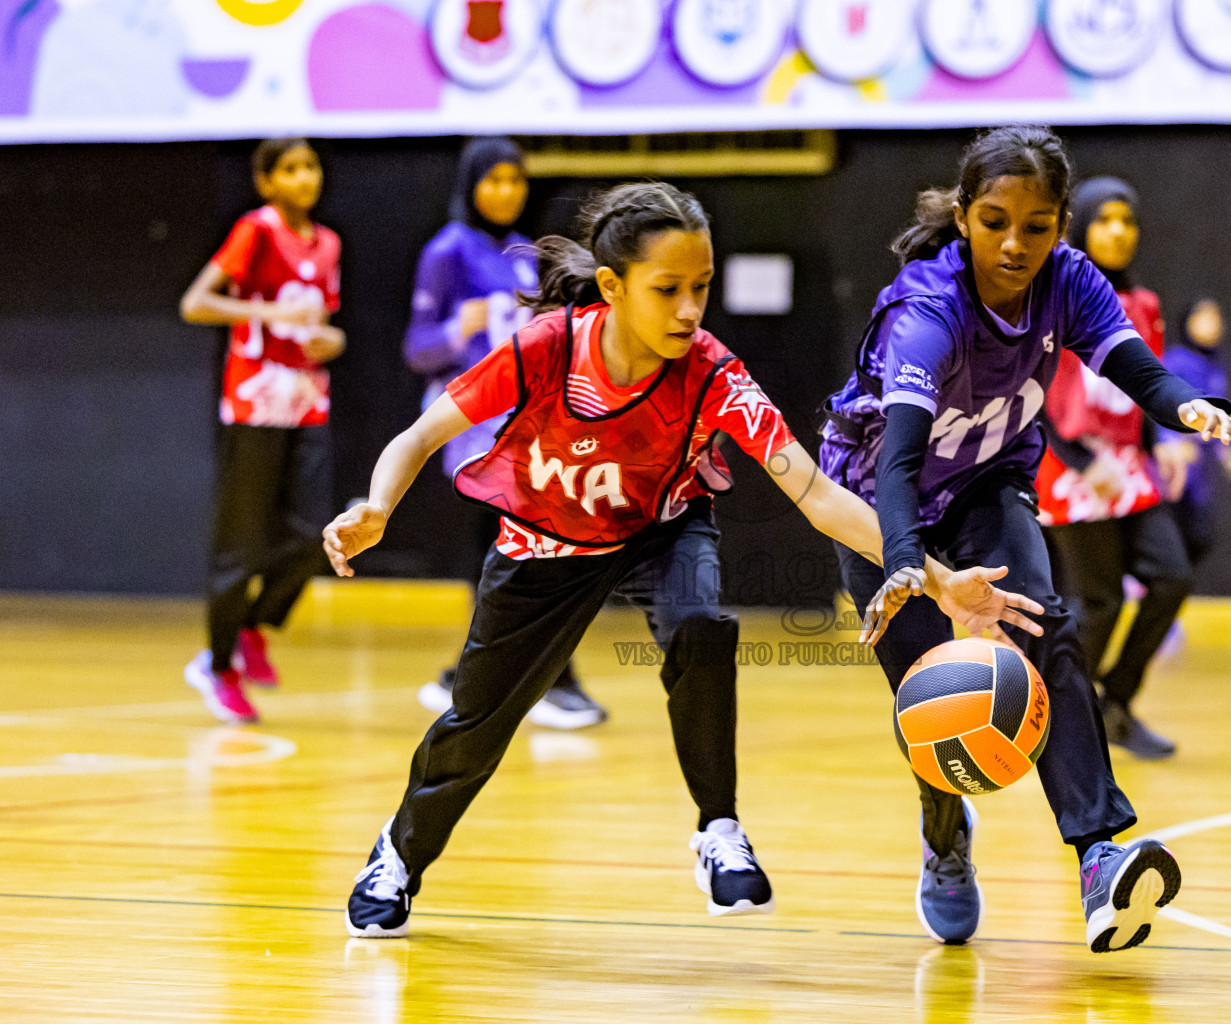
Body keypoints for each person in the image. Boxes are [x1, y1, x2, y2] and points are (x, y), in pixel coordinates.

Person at [326, 182, 1040, 939]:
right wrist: (376, 505)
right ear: (612, 286)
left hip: (661, 530)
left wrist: (933, 576)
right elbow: (419, 435)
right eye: (667, 289)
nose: (690, 309)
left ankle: (718, 828)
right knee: (477, 725)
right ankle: (398, 856)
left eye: (700, 287)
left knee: (701, 623)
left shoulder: (712, 372)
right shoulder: (548, 348)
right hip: (548, 544)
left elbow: (821, 496)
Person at [820, 127, 1231, 950]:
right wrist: (911, 565)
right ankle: (945, 840)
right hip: (880, 497)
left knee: (1045, 625)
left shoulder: (1069, 282)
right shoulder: (928, 308)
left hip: (986, 481)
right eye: (993, 222)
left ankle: (1098, 855)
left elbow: (1135, 368)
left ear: (1060, 226)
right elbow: (902, 460)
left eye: (1037, 225)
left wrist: (1188, 408)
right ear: (962, 217)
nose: (1015, 245)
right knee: (931, 685)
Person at [404, 136, 608, 730]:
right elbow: (416, 349)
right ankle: (549, 680)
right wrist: (453, 331)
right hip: (472, 426)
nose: (505, 192)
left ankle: (473, 676)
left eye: (514, 181)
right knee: (530, 549)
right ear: (470, 186)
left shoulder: (522, 254)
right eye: (492, 181)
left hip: (527, 422)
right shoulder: (446, 250)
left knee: (522, 553)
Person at [178, 137, 344, 725]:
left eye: (311, 166)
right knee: (238, 546)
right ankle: (218, 665)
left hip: (306, 401)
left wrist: (334, 340)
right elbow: (196, 303)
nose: (305, 178)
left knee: (317, 533)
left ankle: (253, 628)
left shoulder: (328, 244)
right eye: (291, 169)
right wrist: (265, 313)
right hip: (253, 403)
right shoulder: (255, 229)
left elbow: (323, 323)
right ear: (267, 180)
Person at [1036, 176, 1193, 761]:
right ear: (1081, 228)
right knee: (1098, 604)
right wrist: (1080, 460)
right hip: (1071, 468)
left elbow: (1143, 381)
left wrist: (1169, 438)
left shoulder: (1144, 305)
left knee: (1172, 576)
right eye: (1105, 220)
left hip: (1128, 469)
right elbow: (1036, 393)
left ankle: (1115, 701)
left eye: (1128, 221)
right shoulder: (1054, 296)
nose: (1119, 232)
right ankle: (1053, 719)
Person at [1160, 297, 1231, 567]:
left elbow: (1218, 414)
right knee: (1168, 538)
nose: (1214, 324)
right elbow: (1158, 404)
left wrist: (1228, 451)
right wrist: (1170, 441)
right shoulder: (1175, 361)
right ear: (1189, 321)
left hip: (1201, 472)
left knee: (1199, 538)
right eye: (1205, 316)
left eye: (1217, 317)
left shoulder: (1217, 366)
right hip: (1174, 469)